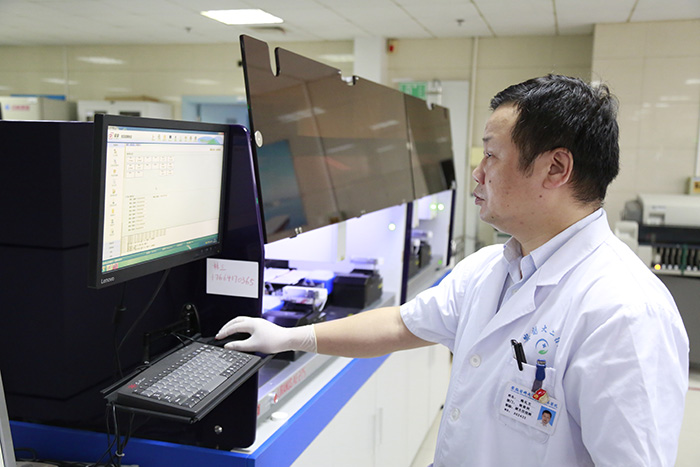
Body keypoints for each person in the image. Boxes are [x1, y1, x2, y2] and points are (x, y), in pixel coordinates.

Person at [217, 74, 689, 466]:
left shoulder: (625, 312)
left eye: (491, 155)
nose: (477, 174)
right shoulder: (490, 269)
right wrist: (291, 337)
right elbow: (400, 324)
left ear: (555, 168)